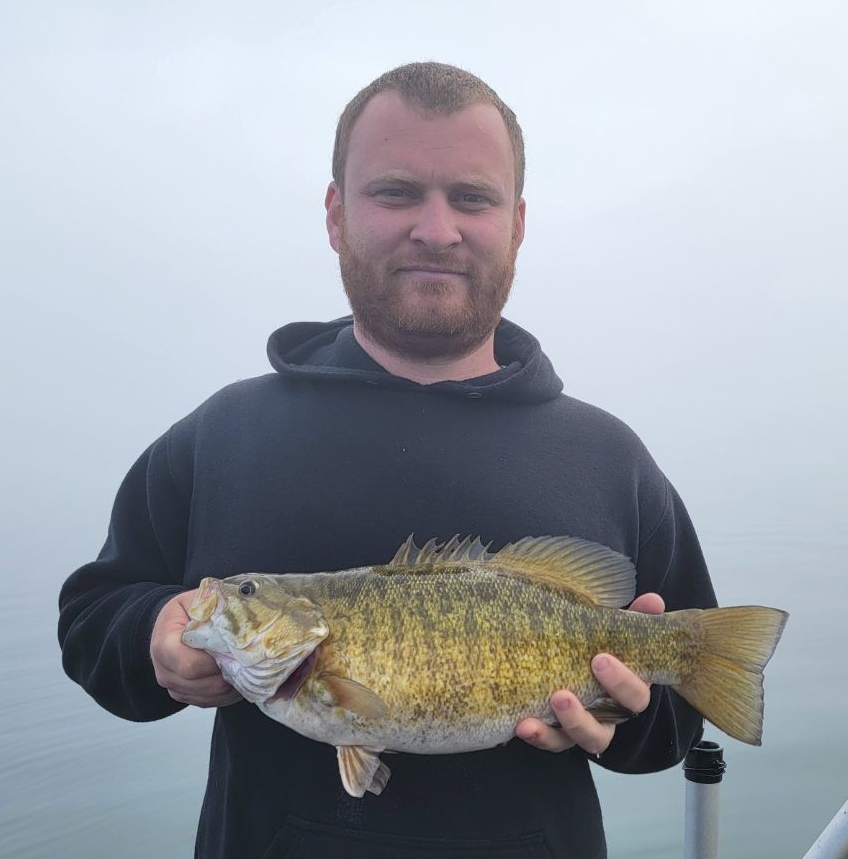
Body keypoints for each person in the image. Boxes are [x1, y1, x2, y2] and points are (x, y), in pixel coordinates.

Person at [59, 62, 717, 859]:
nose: (437, 229)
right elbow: (92, 619)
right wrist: (154, 633)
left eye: (472, 197)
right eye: (397, 191)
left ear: (516, 223)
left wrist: (620, 718)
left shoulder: (611, 457)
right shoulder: (221, 434)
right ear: (336, 214)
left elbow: (681, 714)